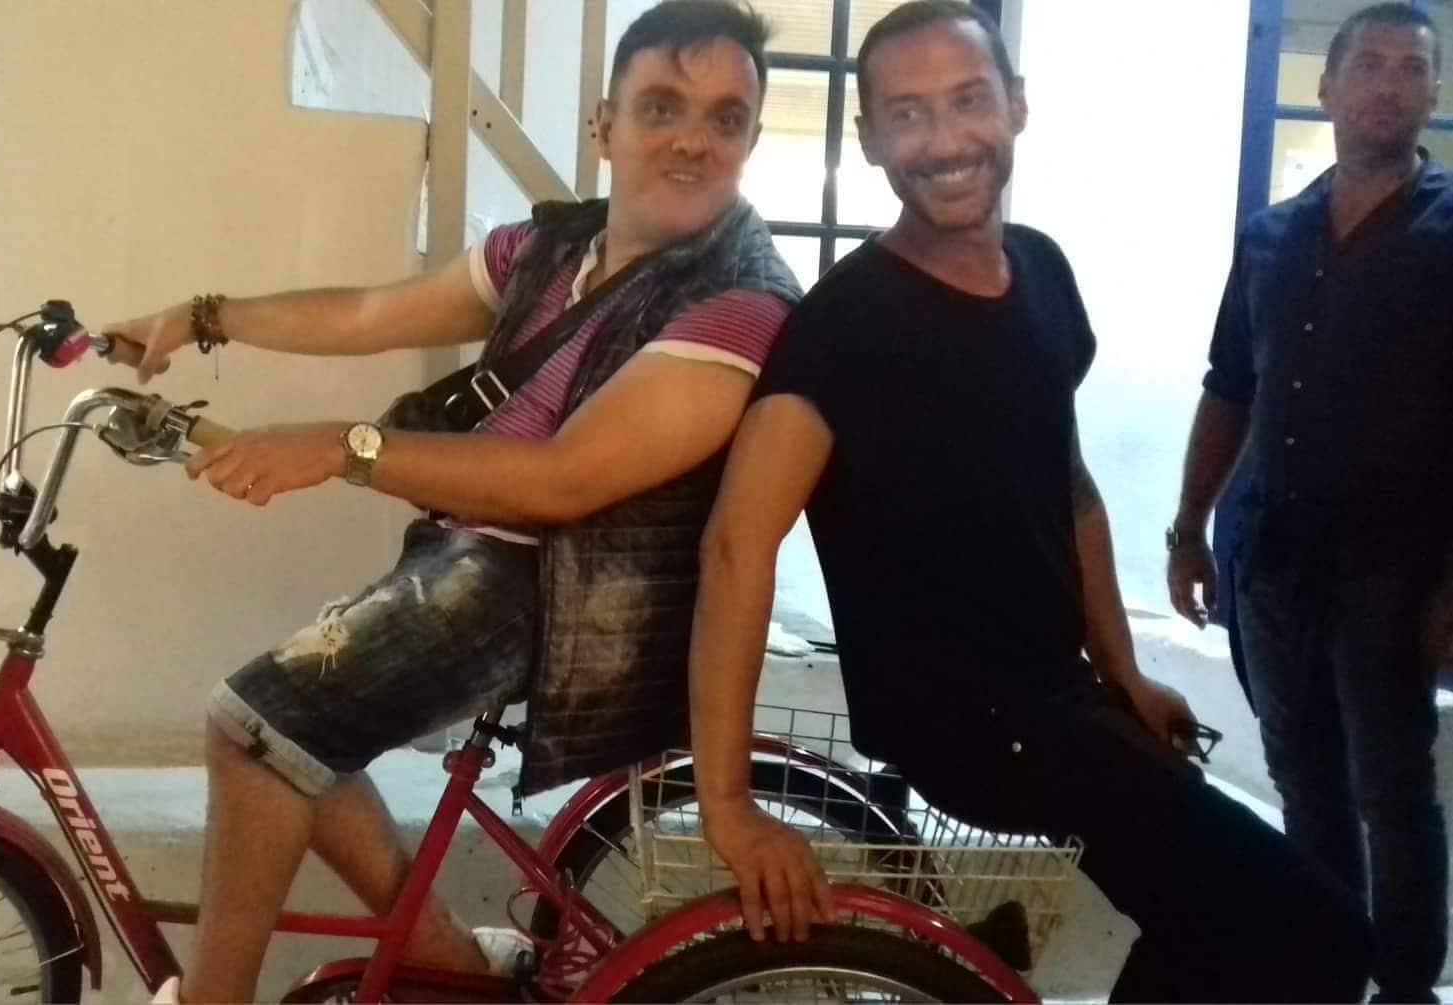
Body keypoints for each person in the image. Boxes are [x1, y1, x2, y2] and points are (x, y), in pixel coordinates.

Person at [106, 2, 800, 1001]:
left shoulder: (738, 300)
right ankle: (453, 969)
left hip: (555, 590)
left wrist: (341, 448)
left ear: (749, 141)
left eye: (725, 119)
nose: (693, 139)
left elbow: (566, 480)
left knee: (251, 728)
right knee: (294, 734)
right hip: (474, 553)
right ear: (604, 126)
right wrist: (203, 317)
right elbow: (374, 311)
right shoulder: (555, 248)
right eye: (662, 107)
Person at [688, 2, 1373, 1000]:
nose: (944, 140)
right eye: (908, 114)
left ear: (1016, 104)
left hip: (1060, 704)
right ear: (869, 138)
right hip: (972, 731)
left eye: (968, 100)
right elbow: (735, 546)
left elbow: (1070, 485)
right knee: (1320, 937)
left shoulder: (1042, 271)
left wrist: (1122, 672)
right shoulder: (844, 329)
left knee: (1218, 932)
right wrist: (728, 805)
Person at [1167, 4, 1453, 1000]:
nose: (1388, 84)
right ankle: (1326, 973)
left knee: (1393, 792)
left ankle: (1405, 988)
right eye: (1367, 64)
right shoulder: (1270, 236)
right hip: (1269, 560)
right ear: (1326, 89)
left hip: (1396, 572)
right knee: (1303, 780)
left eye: (1411, 68)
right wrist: (1187, 529)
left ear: (1432, 93)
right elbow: (1229, 386)